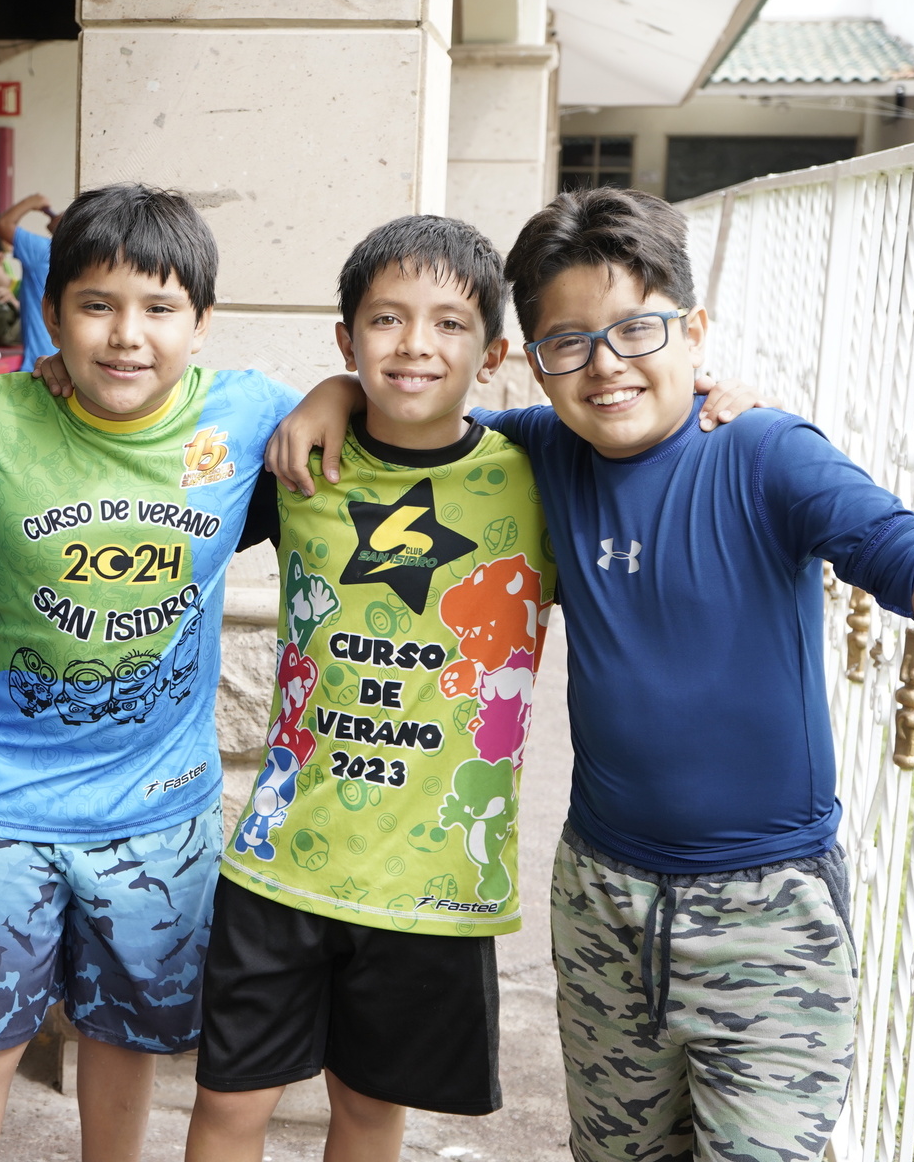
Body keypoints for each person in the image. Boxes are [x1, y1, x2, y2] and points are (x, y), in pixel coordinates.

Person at [270, 187, 914, 1162]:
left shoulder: (763, 452)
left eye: (636, 329)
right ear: (534, 361)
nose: (606, 364)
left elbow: (913, 559)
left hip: (769, 912)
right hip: (601, 899)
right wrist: (334, 393)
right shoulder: (541, 451)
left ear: (693, 332)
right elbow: (420, 417)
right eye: (568, 342)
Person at [0, 184, 301, 1162]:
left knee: (126, 1041)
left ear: (201, 324)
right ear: (52, 314)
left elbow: (374, 415)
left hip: (158, 809)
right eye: (97, 305)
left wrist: (336, 393)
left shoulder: (247, 413)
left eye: (159, 307)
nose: (127, 335)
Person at [174, 216, 552, 1162]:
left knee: (371, 1112)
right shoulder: (301, 463)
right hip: (281, 863)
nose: (415, 344)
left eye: (449, 324)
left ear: (494, 353)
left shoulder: (540, 477)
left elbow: (653, 437)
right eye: (387, 320)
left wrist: (720, 396)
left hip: (433, 887)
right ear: (346, 340)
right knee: (227, 1106)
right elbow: (165, 433)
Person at [0, 191, 58, 371]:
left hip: (37, 363)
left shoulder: (45, 251)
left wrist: (32, 201)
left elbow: (3, 224)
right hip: (58, 360)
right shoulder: (79, 258)